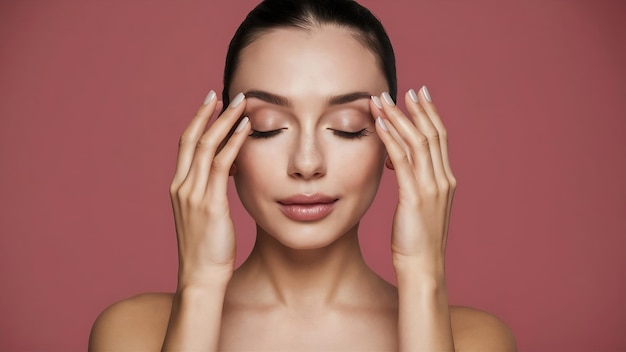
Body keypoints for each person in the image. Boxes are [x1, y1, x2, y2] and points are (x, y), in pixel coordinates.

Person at [89, 0, 517, 350]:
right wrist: (199, 287)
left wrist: (424, 276)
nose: (307, 163)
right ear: (224, 143)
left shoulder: (473, 340)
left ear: (393, 142)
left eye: (347, 126)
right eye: (267, 126)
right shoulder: (135, 333)